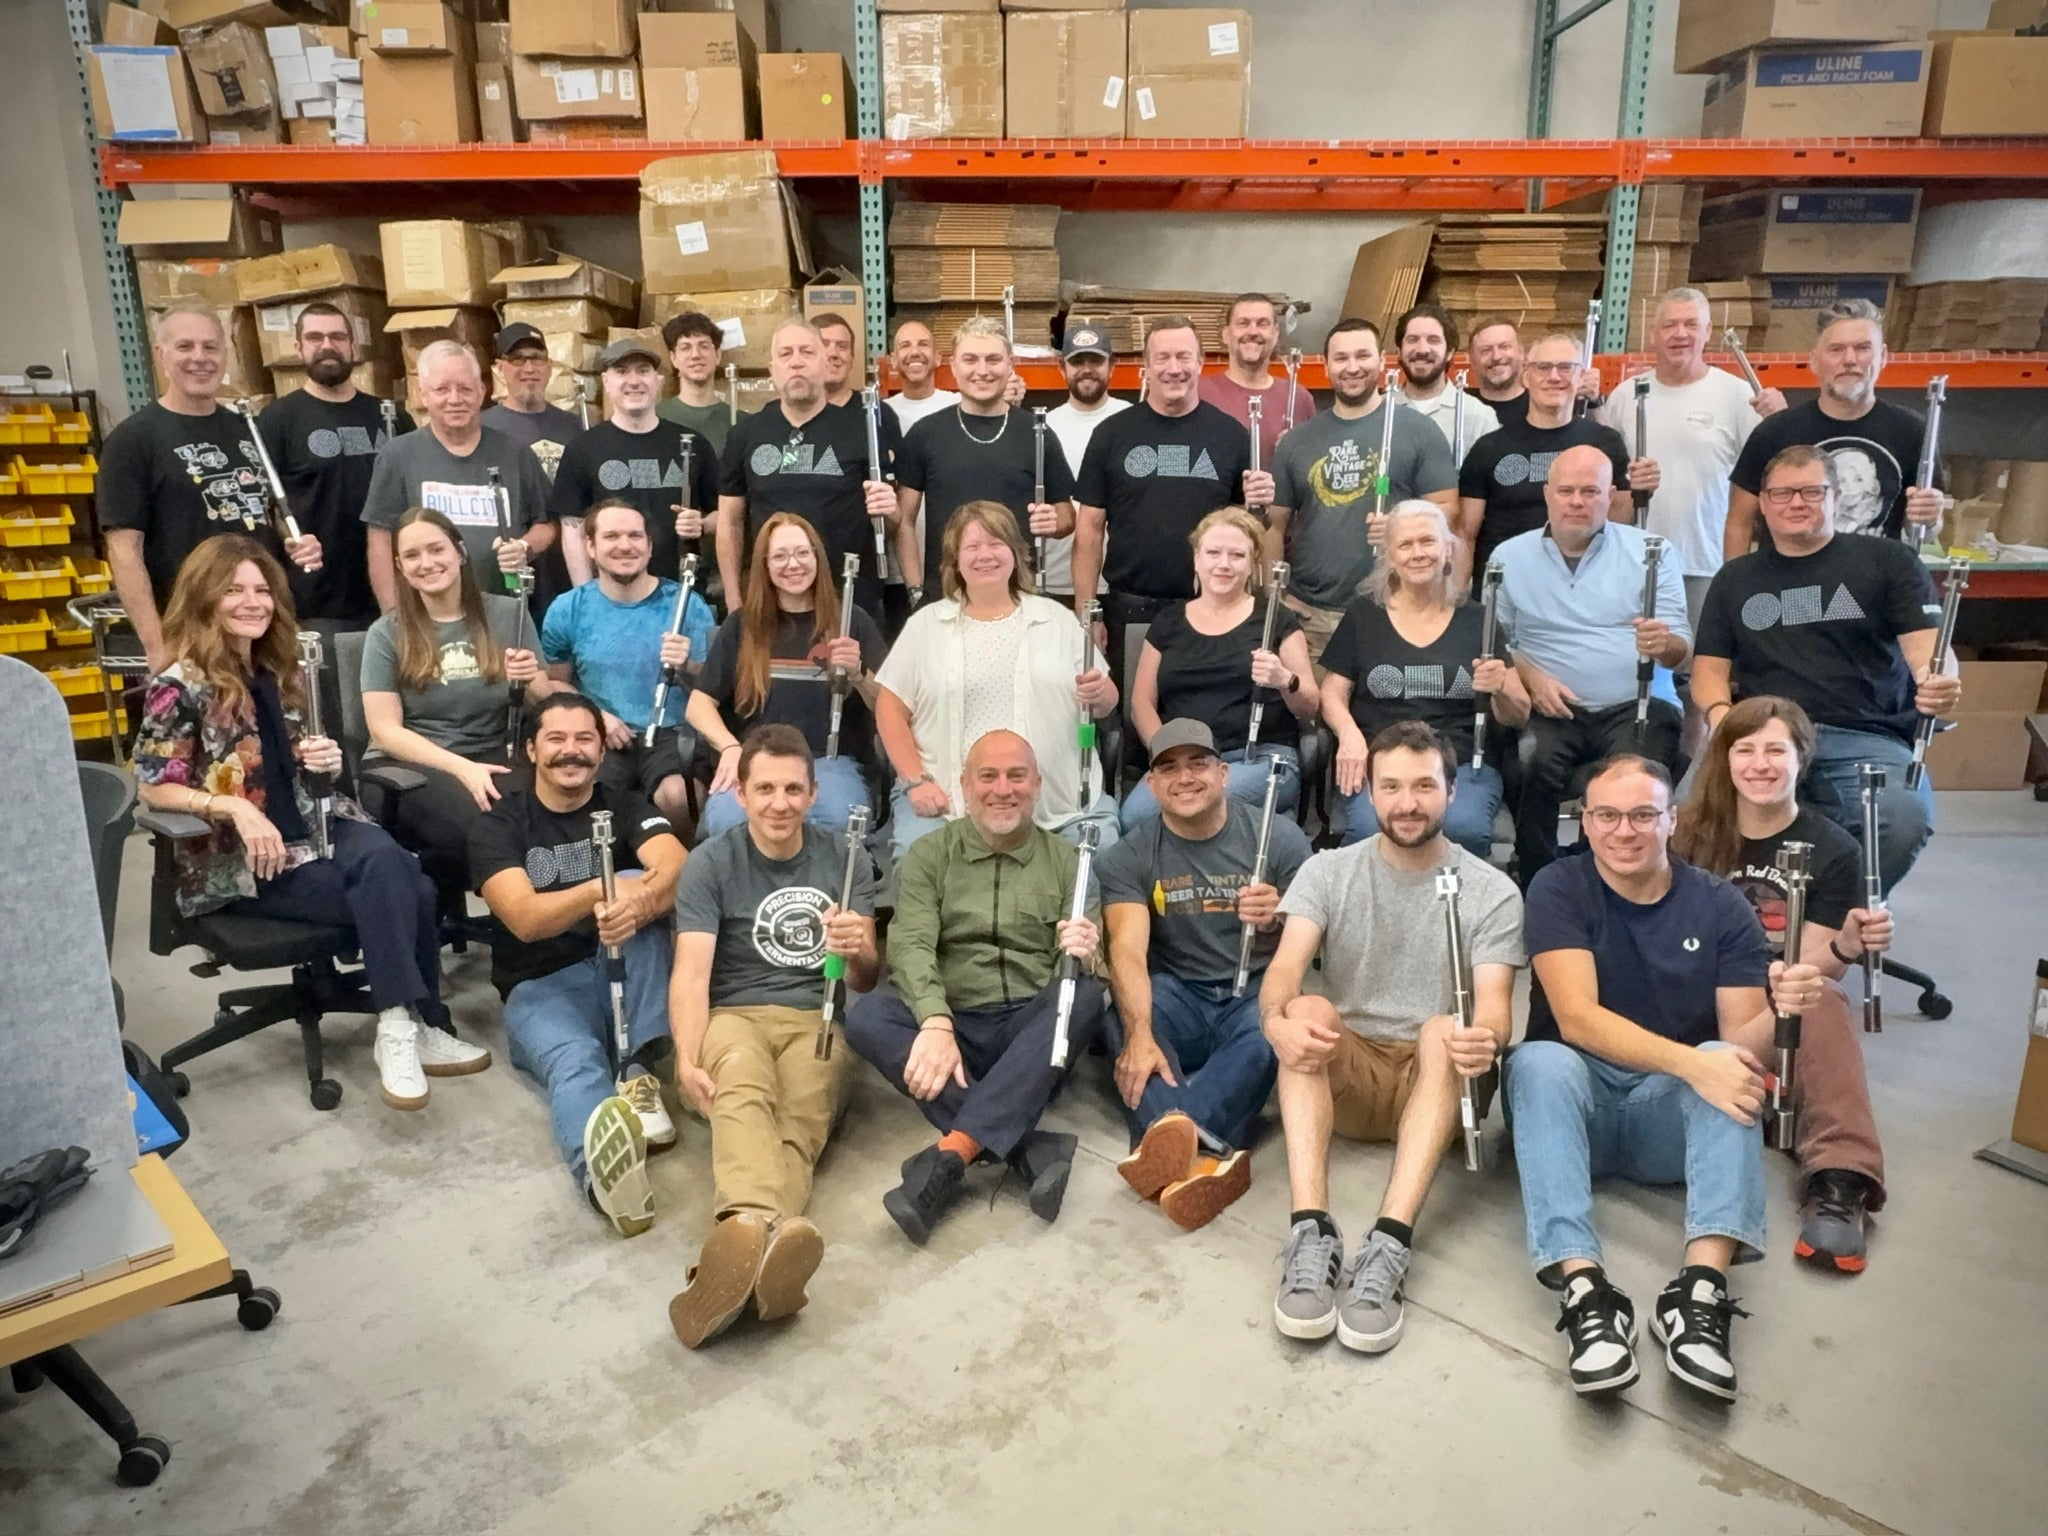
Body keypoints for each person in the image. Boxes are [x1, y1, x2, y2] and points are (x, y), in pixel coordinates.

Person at [132, 534, 488, 1111]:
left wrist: (318, 759)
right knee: (413, 887)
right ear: (205, 599)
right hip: (244, 857)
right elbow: (153, 783)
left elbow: (290, 759)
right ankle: (415, 1026)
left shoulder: (284, 669)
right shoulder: (179, 685)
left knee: (392, 868)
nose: (254, 602)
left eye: (262, 590)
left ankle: (399, 1025)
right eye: (235, 591)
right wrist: (235, 807)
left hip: (315, 826)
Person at [1508, 754, 1825, 1401]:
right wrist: (1692, 1063)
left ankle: (1699, 1295)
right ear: (1587, 823)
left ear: (1671, 820)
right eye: (1607, 815)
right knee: (1537, 1058)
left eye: (1644, 814)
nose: (1625, 830)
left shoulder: (1720, 908)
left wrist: (1779, 1010)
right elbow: (1576, 1018)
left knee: (1730, 1063)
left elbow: (1737, 1044)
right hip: (1572, 1114)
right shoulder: (1557, 887)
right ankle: (1587, 1292)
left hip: (1664, 1122)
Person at [1262, 722, 1523, 1354]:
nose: (1408, 802)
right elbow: (1283, 973)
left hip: (1433, 1084)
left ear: (1452, 793)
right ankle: (1311, 1231)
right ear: (1369, 797)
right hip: (1350, 1075)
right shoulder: (1327, 873)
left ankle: (1390, 1243)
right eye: (1392, 787)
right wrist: (1277, 1023)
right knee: (1309, 1007)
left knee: (1444, 1026)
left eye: (1425, 786)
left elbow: (1495, 1011)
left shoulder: (1493, 891)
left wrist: (1481, 1039)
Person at [844, 730, 1107, 1245]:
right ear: (965, 786)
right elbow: (911, 946)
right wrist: (936, 1021)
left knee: (1085, 996)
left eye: (1016, 776)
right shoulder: (927, 856)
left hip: (1027, 1029)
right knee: (867, 1017)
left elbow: (1081, 968)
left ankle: (954, 1153)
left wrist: (1086, 953)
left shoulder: (1071, 864)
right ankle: (1027, 1145)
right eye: (987, 776)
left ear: (1037, 784)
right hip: (954, 1024)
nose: (1002, 789)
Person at [664, 724, 880, 1348]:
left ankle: (734, 1252)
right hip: (734, 1013)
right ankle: (766, 1233)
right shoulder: (711, 863)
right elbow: (692, 971)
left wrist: (859, 944)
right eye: (765, 788)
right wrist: (686, 1055)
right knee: (744, 1086)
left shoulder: (845, 859)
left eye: (793, 788)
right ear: (742, 795)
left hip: (817, 1017)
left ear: (814, 794)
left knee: (803, 1117)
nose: (779, 802)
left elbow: (866, 978)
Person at [1673, 697, 1893, 1272]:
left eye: (1776, 750)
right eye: (1744, 750)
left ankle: (1840, 1181)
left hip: (1771, 1011)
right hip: (1690, 1001)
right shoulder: (1686, 835)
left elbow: (1816, 964)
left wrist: (1845, 945)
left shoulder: (1836, 849)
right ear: (1723, 759)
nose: (1760, 764)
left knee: (1821, 998)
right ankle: (1769, 1094)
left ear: (1803, 758)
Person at [1690, 445, 1961, 889]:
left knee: (1901, 820)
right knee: (1685, 819)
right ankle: (1737, 924)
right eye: (1782, 493)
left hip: (1864, 735)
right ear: (1762, 503)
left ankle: (1836, 923)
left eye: (1812, 491)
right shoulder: (1736, 579)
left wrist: (1939, 679)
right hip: (1764, 731)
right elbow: (1708, 673)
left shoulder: (1888, 562)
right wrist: (1725, 726)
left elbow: (1930, 650)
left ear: (1836, 497)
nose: (1796, 502)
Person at [471, 692, 687, 1238]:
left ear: (600, 749)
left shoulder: (627, 804)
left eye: (585, 739)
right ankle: (604, 1181)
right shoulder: (500, 825)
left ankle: (637, 1072)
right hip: (540, 987)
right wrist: (609, 888)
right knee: (577, 1063)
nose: (572, 751)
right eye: (557, 739)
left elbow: (677, 867)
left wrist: (637, 901)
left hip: (622, 968)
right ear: (532, 750)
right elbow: (525, 918)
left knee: (645, 923)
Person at [1100, 720, 1310, 1229]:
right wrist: (1141, 1032)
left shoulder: (1279, 838)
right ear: (1151, 786)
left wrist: (1282, 914)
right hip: (1181, 993)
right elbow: (1126, 951)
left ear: (1224, 773)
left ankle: (1168, 1141)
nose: (1184, 777)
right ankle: (1209, 1152)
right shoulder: (1129, 855)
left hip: (1253, 993)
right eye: (1168, 768)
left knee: (1275, 1028)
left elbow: (1318, 942)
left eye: (1198, 764)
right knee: (1117, 1021)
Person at [875, 502, 1120, 858]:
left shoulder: (1059, 620)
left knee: (1103, 863)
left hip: (1058, 807)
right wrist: (916, 781)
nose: (985, 556)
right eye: (972, 547)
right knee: (916, 867)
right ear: (954, 560)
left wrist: (1098, 694)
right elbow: (889, 708)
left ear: (1015, 553)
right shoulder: (924, 626)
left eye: (996, 544)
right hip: (947, 806)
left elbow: (1108, 701)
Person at [1496, 444, 1691, 886]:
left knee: (1635, 783)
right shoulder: (1509, 557)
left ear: (1612, 496)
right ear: (1548, 494)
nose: (1577, 501)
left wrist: (1664, 645)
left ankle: (1612, 882)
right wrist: (1528, 675)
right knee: (1528, 761)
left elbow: (1682, 649)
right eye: (1566, 490)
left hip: (1636, 703)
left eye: (1591, 491)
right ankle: (1541, 882)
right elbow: (1497, 641)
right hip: (1553, 706)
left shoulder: (1652, 553)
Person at [102, 303, 321, 672]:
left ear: (226, 355)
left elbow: (260, 511)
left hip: (260, 635)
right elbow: (124, 551)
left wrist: (294, 542)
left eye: (210, 347)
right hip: (191, 639)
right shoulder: (133, 440)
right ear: (161, 355)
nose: (199, 358)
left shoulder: (246, 428)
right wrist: (157, 648)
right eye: (185, 347)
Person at [1321, 501, 1527, 854]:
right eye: (1405, 544)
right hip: (1382, 761)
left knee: (1461, 826)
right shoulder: (1363, 615)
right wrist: (1349, 734)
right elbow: (1331, 693)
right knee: (1371, 829)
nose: (1418, 553)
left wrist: (1501, 689)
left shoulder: (1478, 619)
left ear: (1447, 548)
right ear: (1389, 556)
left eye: (1427, 541)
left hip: (1459, 764)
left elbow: (1519, 713)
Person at [1072, 315, 1269, 687]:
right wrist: (1089, 614)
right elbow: (1089, 531)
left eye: (1183, 357)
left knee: (1203, 720)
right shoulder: (1112, 434)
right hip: (1128, 610)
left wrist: (1260, 506)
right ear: (1145, 366)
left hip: (1209, 609)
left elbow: (1252, 530)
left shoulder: (1231, 435)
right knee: (1131, 723)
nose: (1173, 369)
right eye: (1162, 358)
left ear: (1201, 362)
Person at [359, 507, 538, 893]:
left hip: (494, 752)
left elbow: (543, 696)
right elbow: (385, 730)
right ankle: (521, 930)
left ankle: (546, 932)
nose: (426, 563)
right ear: (400, 567)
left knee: (547, 814)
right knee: (487, 826)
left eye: (436, 549)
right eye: (412, 555)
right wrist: (461, 768)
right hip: (408, 767)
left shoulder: (509, 614)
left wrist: (531, 679)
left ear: (459, 551)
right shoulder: (385, 633)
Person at [1267, 318, 1457, 664]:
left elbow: (1447, 509)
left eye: (1362, 356)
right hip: (1311, 616)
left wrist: (1401, 524)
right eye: (1341, 359)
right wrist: (1274, 598)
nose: (1352, 367)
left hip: (1394, 609)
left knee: (1386, 717)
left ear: (1382, 361)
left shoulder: (1419, 431)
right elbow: (1274, 525)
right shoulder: (1297, 441)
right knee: (1310, 713)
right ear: (1326, 365)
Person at [1599, 288, 1785, 639]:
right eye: (1669, 325)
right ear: (1653, 334)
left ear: (1707, 331)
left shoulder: (1738, 395)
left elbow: (1772, 475)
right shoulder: (1626, 395)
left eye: (1690, 324)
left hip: (1705, 562)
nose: (1680, 334)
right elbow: (1610, 482)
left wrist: (1782, 420)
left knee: (1698, 667)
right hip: (1633, 563)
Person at [686, 513, 885, 837]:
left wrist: (859, 674)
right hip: (757, 761)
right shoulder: (743, 624)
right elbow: (698, 705)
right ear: (764, 565)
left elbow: (891, 707)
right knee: (727, 822)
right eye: (780, 556)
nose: (792, 564)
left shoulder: (852, 619)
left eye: (802, 553)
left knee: (833, 820)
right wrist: (730, 748)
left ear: (817, 558)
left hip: (830, 762)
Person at [1124, 508, 1320, 826]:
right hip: (1186, 758)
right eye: (1213, 552)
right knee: (1134, 816)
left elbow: (1309, 705)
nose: (1224, 564)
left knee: (1196, 804)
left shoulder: (1275, 620)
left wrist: (1285, 680)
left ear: (1252, 564)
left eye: (1237, 555)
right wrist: (1168, 755)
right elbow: (1141, 703)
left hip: (1260, 759)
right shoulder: (1168, 623)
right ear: (1197, 559)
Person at [538, 499, 717, 830]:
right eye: (611, 536)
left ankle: (680, 874)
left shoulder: (688, 605)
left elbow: (716, 687)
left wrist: (688, 665)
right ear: (590, 546)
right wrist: (596, 716)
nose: (625, 546)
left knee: (679, 797)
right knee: (582, 796)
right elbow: (556, 684)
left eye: (635, 536)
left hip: (672, 733)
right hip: (601, 733)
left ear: (649, 547)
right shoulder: (568, 609)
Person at [717, 319, 899, 621]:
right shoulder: (745, 435)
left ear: (825, 364)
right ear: (772, 369)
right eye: (786, 354)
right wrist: (735, 601)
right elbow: (729, 523)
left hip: (851, 599)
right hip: (771, 604)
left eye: (807, 352)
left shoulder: (863, 431)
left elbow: (891, 525)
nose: (797, 362)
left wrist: (890, 510)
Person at [1727, 300, 1942, 555]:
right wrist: (1734, 590)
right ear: (1815, 360)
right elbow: (1738, 524)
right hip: (1792, 587)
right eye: (1836, 350)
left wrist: (1930, 519)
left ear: (1882, 356)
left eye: (1862, 348)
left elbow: (1923, 528)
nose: (1849, 360)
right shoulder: (1775, 432)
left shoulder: (1913, 431)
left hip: (1877, 589)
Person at [362, 340, 552, 613]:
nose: (455, 399)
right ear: (422, 394)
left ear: (482, 392)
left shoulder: (515, 453)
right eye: (442, 389)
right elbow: (380, 539)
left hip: (502, 615)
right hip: (425, 619)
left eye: (465, 388)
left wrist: (525, 547)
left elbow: (546, 523)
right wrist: (393, 615)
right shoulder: (398, 456)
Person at [895, 317, 1075, 603]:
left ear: (1010, 364)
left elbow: (1066, 515)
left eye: (993, 360)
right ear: (953, 365)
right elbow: (904, 521)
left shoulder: (1037, 433)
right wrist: (916, 590)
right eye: (970, 360)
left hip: (1018, 598)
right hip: (946, 598)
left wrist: (1054, 522)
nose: (982, 371)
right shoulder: (925, 434)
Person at [258, 301, 411, 632]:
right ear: (299, 347)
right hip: (318, 606)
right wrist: (289, 540)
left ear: (353, 346)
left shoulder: (392, 416)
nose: (327, 346)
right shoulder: (276, 422)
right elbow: (263, 509)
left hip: (398, 599)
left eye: (338, 337)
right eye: (315, 337)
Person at [1457, 332, 1635, 584]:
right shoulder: (1489, 448)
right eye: (1543, 367)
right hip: (1505, 591)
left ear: (1581, 376)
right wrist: (1462, 601)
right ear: (1526, 376)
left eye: (1565, 368)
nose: (1554, 377)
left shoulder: (1606, 445)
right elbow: (1465, 535)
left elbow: (1620, 528)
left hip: (1583, 588)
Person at [548, 336, 718, 588]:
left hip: (681, 594)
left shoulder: (693, 444)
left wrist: (703, 524)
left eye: (643, 371)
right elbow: (573, 530)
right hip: (610, 599)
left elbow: (725, 513)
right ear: (606, 382)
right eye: (622, 372)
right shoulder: (583, 449)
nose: (634, 381)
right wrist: (585, 597)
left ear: (658, 381)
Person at [1042, 323, 1129, 602]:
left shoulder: (1133, 423)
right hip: (1052, 581)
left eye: (1096, 360)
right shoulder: (1043, 428)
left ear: (1112, 366)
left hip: (1116, 582)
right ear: (1061, 367)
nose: (1087, 369)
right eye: (1077, 361)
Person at [1199, 293, 1313, 462]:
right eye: (1243, 323)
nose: (1253, 332)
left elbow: (1312, 468)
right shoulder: (1199, 394)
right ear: (1225, 334)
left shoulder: (1299, 399)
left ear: (1275, 334)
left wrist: (1299, 452)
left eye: (1262, 324)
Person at [1391, 303, 1498, 465]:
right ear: (1399, 352)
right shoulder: (1378, 412)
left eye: (1433, 340)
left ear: (1450, 353)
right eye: (1413, 339)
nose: (1422, 349)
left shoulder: (1480, 418)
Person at [480, 321, 584, 482]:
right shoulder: (482, 427)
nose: (529, 369)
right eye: (517, 359)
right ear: (500, 368)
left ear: (549, 367)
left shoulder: (573, 426)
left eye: (537, 359)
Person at [1469, 315, 1601, 428]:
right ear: (1472, 360)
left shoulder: (1547, 399)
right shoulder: (1463, 407)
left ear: (1522, 353)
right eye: (1486, 350)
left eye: (1505, 347)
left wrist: (1590, 402)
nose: (1496, 356)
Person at [657, 310, 740, 454]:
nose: (695, 355)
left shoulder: (740, 422)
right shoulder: (655, 418)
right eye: (685, 348)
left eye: (703, 346)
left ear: (718, 355)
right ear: (673, 358)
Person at [883, 318, 959, 433]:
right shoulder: (883, 413)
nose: (914, 352)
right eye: (905, 345)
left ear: (937, 358)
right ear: (893, 360)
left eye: (923, 344)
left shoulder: (958, 406)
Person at [814, 311, 859, 408]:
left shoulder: (877, 413)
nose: (833, 353)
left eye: (842, 346)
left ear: (852, 358)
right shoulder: (783, 415)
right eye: (824, 344)